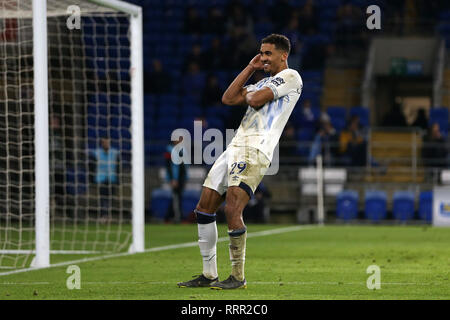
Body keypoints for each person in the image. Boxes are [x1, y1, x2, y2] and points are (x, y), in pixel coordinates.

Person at [177, 34, 303, 290]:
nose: (264, 58)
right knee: (204, 207)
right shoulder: (262, 81)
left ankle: (237, 276)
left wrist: (254, 93)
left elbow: (255, 100)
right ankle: (209, 273)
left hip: (256, 149)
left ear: (283, 55)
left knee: (233, 208)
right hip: (234, 147)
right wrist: (249, 68)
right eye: (261, 53)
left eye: (268, 53)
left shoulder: (291, 77)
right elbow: (228, 98)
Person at [89, 136, 120, 220]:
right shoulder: (96, 153)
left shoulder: (115, 153)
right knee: (102, 198)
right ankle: (103, 215)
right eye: (104, 142)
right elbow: (92, 166)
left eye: (107, 142)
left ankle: (108, 215)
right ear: (101, 143)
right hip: (100, 178)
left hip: (112, 178)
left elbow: (118, 167)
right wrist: (92, 179)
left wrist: (118, 179)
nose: (106, 144)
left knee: (110, 198)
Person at [164, 136, 188, 223]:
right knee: (176, 197)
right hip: (175, 179)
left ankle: (170, 217)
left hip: (181, 178)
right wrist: (173, 179)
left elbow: (184, 166)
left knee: (177, 197)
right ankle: (177, 217)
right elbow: (169, 166)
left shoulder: (182, 150)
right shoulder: (170, 150)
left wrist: (185, 177)